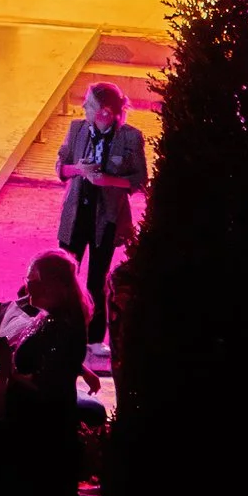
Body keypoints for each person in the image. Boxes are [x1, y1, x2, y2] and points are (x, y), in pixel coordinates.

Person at [54, 82, 147, 347]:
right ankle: (62, 332)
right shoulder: (77, 129)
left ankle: (94, 338)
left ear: (105, 112)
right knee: (65, 274)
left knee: (97, 278)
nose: (83, 107)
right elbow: (61, 165)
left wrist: (107, 180)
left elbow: (139, 179)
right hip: (75, 212)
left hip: (106, 217)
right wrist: (79, 170)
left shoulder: (130, 137)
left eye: (90, 104)